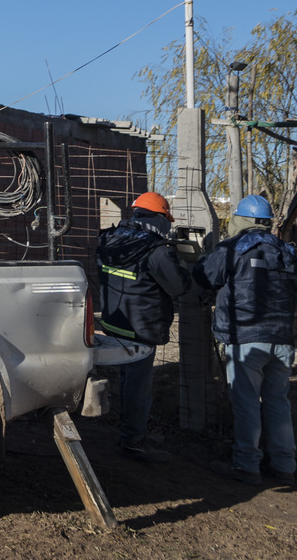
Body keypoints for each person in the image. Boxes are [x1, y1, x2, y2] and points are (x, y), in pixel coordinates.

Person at [193, 194, 297, 486]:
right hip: (283, 339)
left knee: (246, 404)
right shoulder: (288, 252)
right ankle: (285, 467)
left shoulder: (234, 248)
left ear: (241, 220)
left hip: (247, 338)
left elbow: (204, 277)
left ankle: (246, 466)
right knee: (279, 403)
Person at [96, 190, 190, 462]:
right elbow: (177, 286)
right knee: (138, 389)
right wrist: (184, 266)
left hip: (115, 324)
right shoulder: (156, 249)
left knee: (127, 381)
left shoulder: (108, 239)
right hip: (142, 329)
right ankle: (133, 443)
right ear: (161, 218)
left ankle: (124, 430)